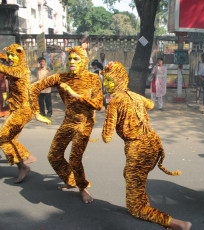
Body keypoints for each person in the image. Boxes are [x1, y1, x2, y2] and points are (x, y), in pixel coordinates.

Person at [101, 62, 192, 230]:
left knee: (135, 207)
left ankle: (176, 223)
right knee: (130, 175)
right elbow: (150, 104)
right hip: (153, 144)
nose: (105, 84)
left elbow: (106, 137)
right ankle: (140, 196)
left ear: (119, 80)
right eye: (104, 80)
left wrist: (109, 116)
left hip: (138, 150)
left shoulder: (114, 103)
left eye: (109, 80)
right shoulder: (134, 96)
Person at [31, 45, 103, 203]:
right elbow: (34, 88)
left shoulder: (93, 78)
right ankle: (72, 181)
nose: (72, 61)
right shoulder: (60, 77)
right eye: (70, 58)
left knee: (75, 158)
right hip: (68, 121)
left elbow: (98, 104)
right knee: (53, 156)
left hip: (85, 123)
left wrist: (75, 95)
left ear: (83, 61)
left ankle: (83, 188)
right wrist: (36, 112)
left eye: (76, 58)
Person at [0, 44, 38, 183]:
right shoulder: (15, 64)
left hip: (23, 110)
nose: (10, 58)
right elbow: (4, 59)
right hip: (17, 110)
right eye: (9, 55)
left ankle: (26, 156)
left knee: (3, 137)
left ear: (20, 57)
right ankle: (22, 167)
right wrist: (4, 56)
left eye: (13, 55)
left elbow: (5, 68)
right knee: (10, 140)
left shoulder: (20, 70)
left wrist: (4, 62)